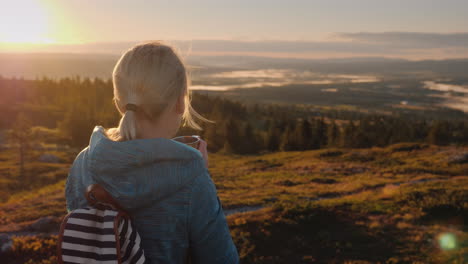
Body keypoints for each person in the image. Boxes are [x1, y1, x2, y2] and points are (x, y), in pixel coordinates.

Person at [65, 41, 239, 263]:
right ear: (180, 102)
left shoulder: (84, 161)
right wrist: (195, 172)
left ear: (119, 101)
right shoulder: (193, 183)